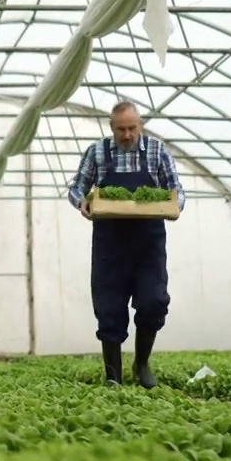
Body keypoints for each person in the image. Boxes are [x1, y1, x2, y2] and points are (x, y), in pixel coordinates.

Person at [67, 100, 185, 389]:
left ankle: (141, 363)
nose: (128, 135)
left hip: (148, 243)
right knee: (109, 307)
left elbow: (175, 189)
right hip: (110, 244)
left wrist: (173, 206)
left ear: (140, 125)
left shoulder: (157, 152)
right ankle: (113, 377)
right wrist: (81, 202)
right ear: (112, 129)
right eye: (121, 129)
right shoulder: (97, 153)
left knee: (154, 301)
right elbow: (76, 188)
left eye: (132, 128)